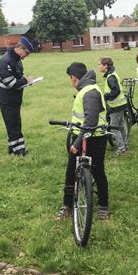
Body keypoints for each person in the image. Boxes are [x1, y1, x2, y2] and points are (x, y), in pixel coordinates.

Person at [57, 62, 110, 220]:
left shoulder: (89, 92)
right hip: (85, 135)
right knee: (71, 172)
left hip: (94, 138)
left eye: (70, 78)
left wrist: (77, 143)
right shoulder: (88, 89)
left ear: (74, 78)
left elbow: (91, 121)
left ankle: (103, 206)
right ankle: (67, 205)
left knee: (97, 172)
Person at [0, 36, 34, 157]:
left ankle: (15, 148)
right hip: (7, 99)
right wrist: (26, 83)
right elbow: (10, 83)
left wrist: (26, 80)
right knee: (12, 125)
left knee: (16, 123)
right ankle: (18, 152)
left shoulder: (16, 59)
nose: (26, 56)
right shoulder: (5, 60)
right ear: (19, 48)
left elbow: (19, 76)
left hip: (14, 99)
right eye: (26, 53)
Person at [97, 57, 128, 155]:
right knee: (121, 126)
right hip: (121, 104)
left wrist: (106, 96)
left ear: (105, 66)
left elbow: (116, 90)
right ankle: (125, 144)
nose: (98, 66)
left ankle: (121, 148)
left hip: (116, 106)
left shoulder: (110, 77)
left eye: (99, 64)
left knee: (115, 127)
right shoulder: (111, 74)